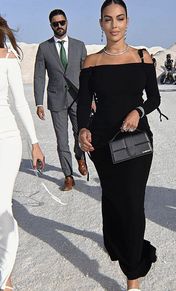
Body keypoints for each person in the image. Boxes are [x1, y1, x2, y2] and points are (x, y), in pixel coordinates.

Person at [77, 1, 163, 290]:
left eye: (120, 18)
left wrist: (137, 111)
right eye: (108, 20)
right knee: (114, 202)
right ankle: (121, 243)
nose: (114, 25)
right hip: (103, 143)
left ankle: (133, 277)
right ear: (101, 24)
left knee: (131, 204)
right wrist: (82, 130)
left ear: (128, 21)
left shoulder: (142, 57)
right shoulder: (91, 62)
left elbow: (154, 99)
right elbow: (83, 108)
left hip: (136, 141)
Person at [0, 17, 44, 291]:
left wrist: (35, 143)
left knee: (3, 207)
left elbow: (20, 103)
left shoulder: (8, 59)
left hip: (6, 140)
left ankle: (4, 275)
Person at [34, 9, 87, 191]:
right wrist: (39, 103)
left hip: (78, 98)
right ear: (51, 25)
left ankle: (80, 156)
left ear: (67, 22)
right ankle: (68, 175)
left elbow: (87, 76)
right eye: (55, 23)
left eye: (62, 22)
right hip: (56, 100)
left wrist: (92, 98)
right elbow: (39, 76)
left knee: (79, 133)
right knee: (61, 140)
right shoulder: (44, 48)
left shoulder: (79, 46)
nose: (59, 26)